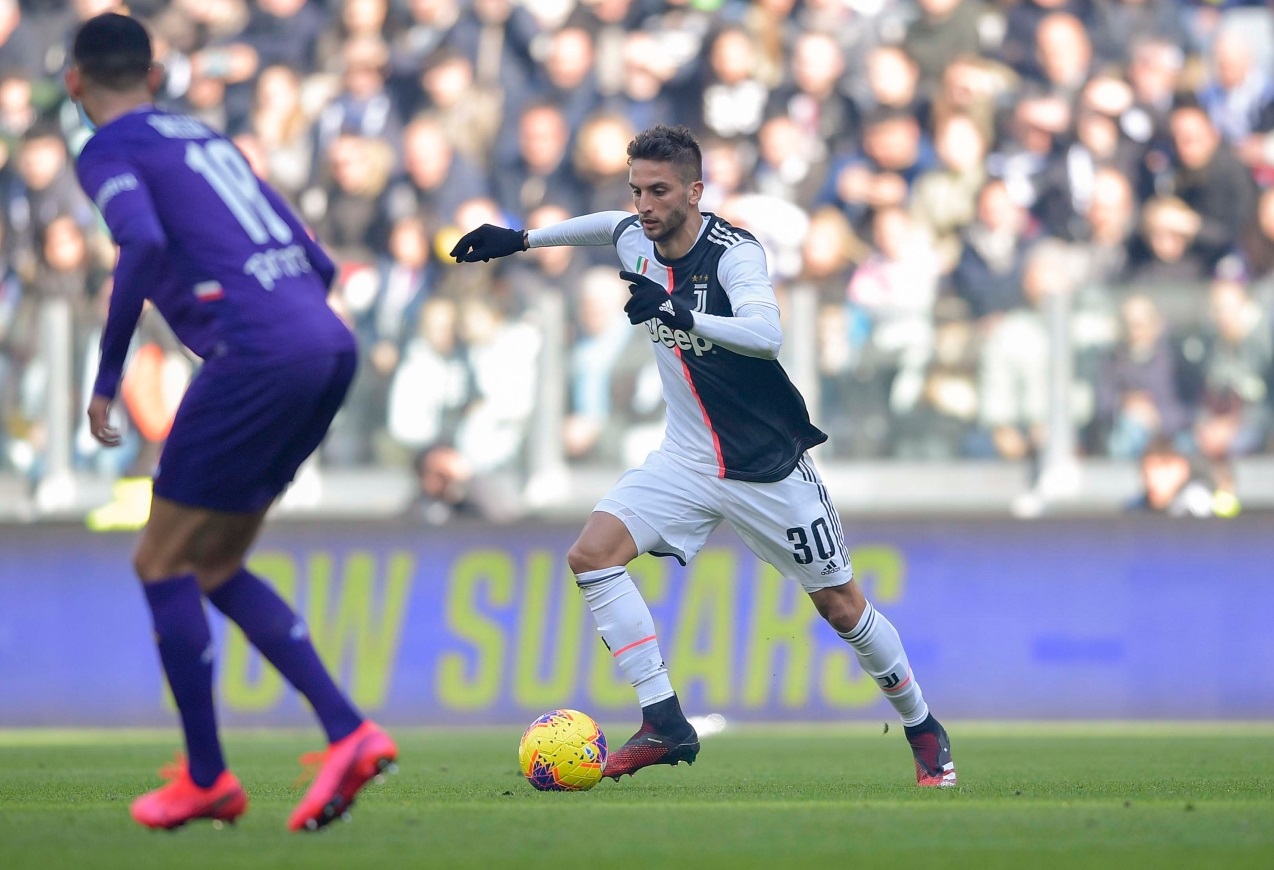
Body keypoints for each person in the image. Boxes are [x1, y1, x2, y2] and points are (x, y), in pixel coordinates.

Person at [449, 124, 956, 787]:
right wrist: (522, 239)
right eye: (637, 190)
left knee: (842, 607)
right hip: (686, 458)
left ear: (695, 192)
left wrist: (682, 315)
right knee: (592, 556)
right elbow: (607, 227)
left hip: (766, 467)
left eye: (659, 191)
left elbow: (766, 334)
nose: (644, 205)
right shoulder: (635, 234)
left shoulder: (733, 254)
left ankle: (923, 726)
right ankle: (664, 721)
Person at [66, 13, 396, 832]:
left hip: (255, 357)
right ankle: (349, 732)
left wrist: (107, 374)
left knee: (160, 560)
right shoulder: (204, 137)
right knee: (214, 563)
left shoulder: (107, 149)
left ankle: (209, 777)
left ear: (75, 82)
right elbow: (316, 257)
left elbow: (140, 242)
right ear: (155, 75)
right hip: (326, 344)